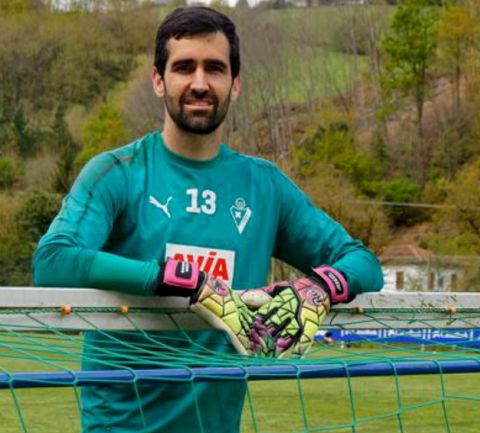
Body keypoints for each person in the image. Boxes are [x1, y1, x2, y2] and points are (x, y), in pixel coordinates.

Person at [33, 6, 383, 433]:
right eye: (184, 67)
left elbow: (362, 262)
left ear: (234, 84)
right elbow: (53, 260)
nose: (199, 83)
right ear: (159, 79)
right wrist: (183, 281)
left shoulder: (263, 186)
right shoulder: (117, 172)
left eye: (214, 68)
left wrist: (319, 288)